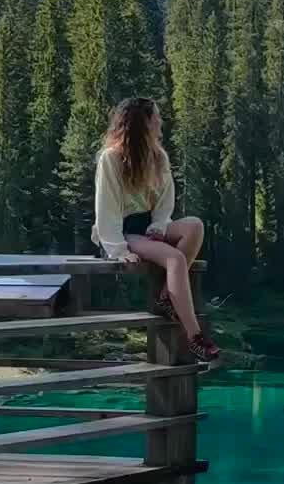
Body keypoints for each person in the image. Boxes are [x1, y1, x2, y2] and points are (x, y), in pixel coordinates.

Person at [92, 97, 219, 362]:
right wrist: (117, 249)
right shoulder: (111, 159)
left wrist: (160, 225)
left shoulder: (158, 157)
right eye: (155, 118)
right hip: (123, 229)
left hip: (149, 224)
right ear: (143, 123)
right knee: (175, 259)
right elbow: (107, 207)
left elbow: (165, 200)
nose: (160, 122)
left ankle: (165, 297)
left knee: (194, 226)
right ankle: (195, 337)